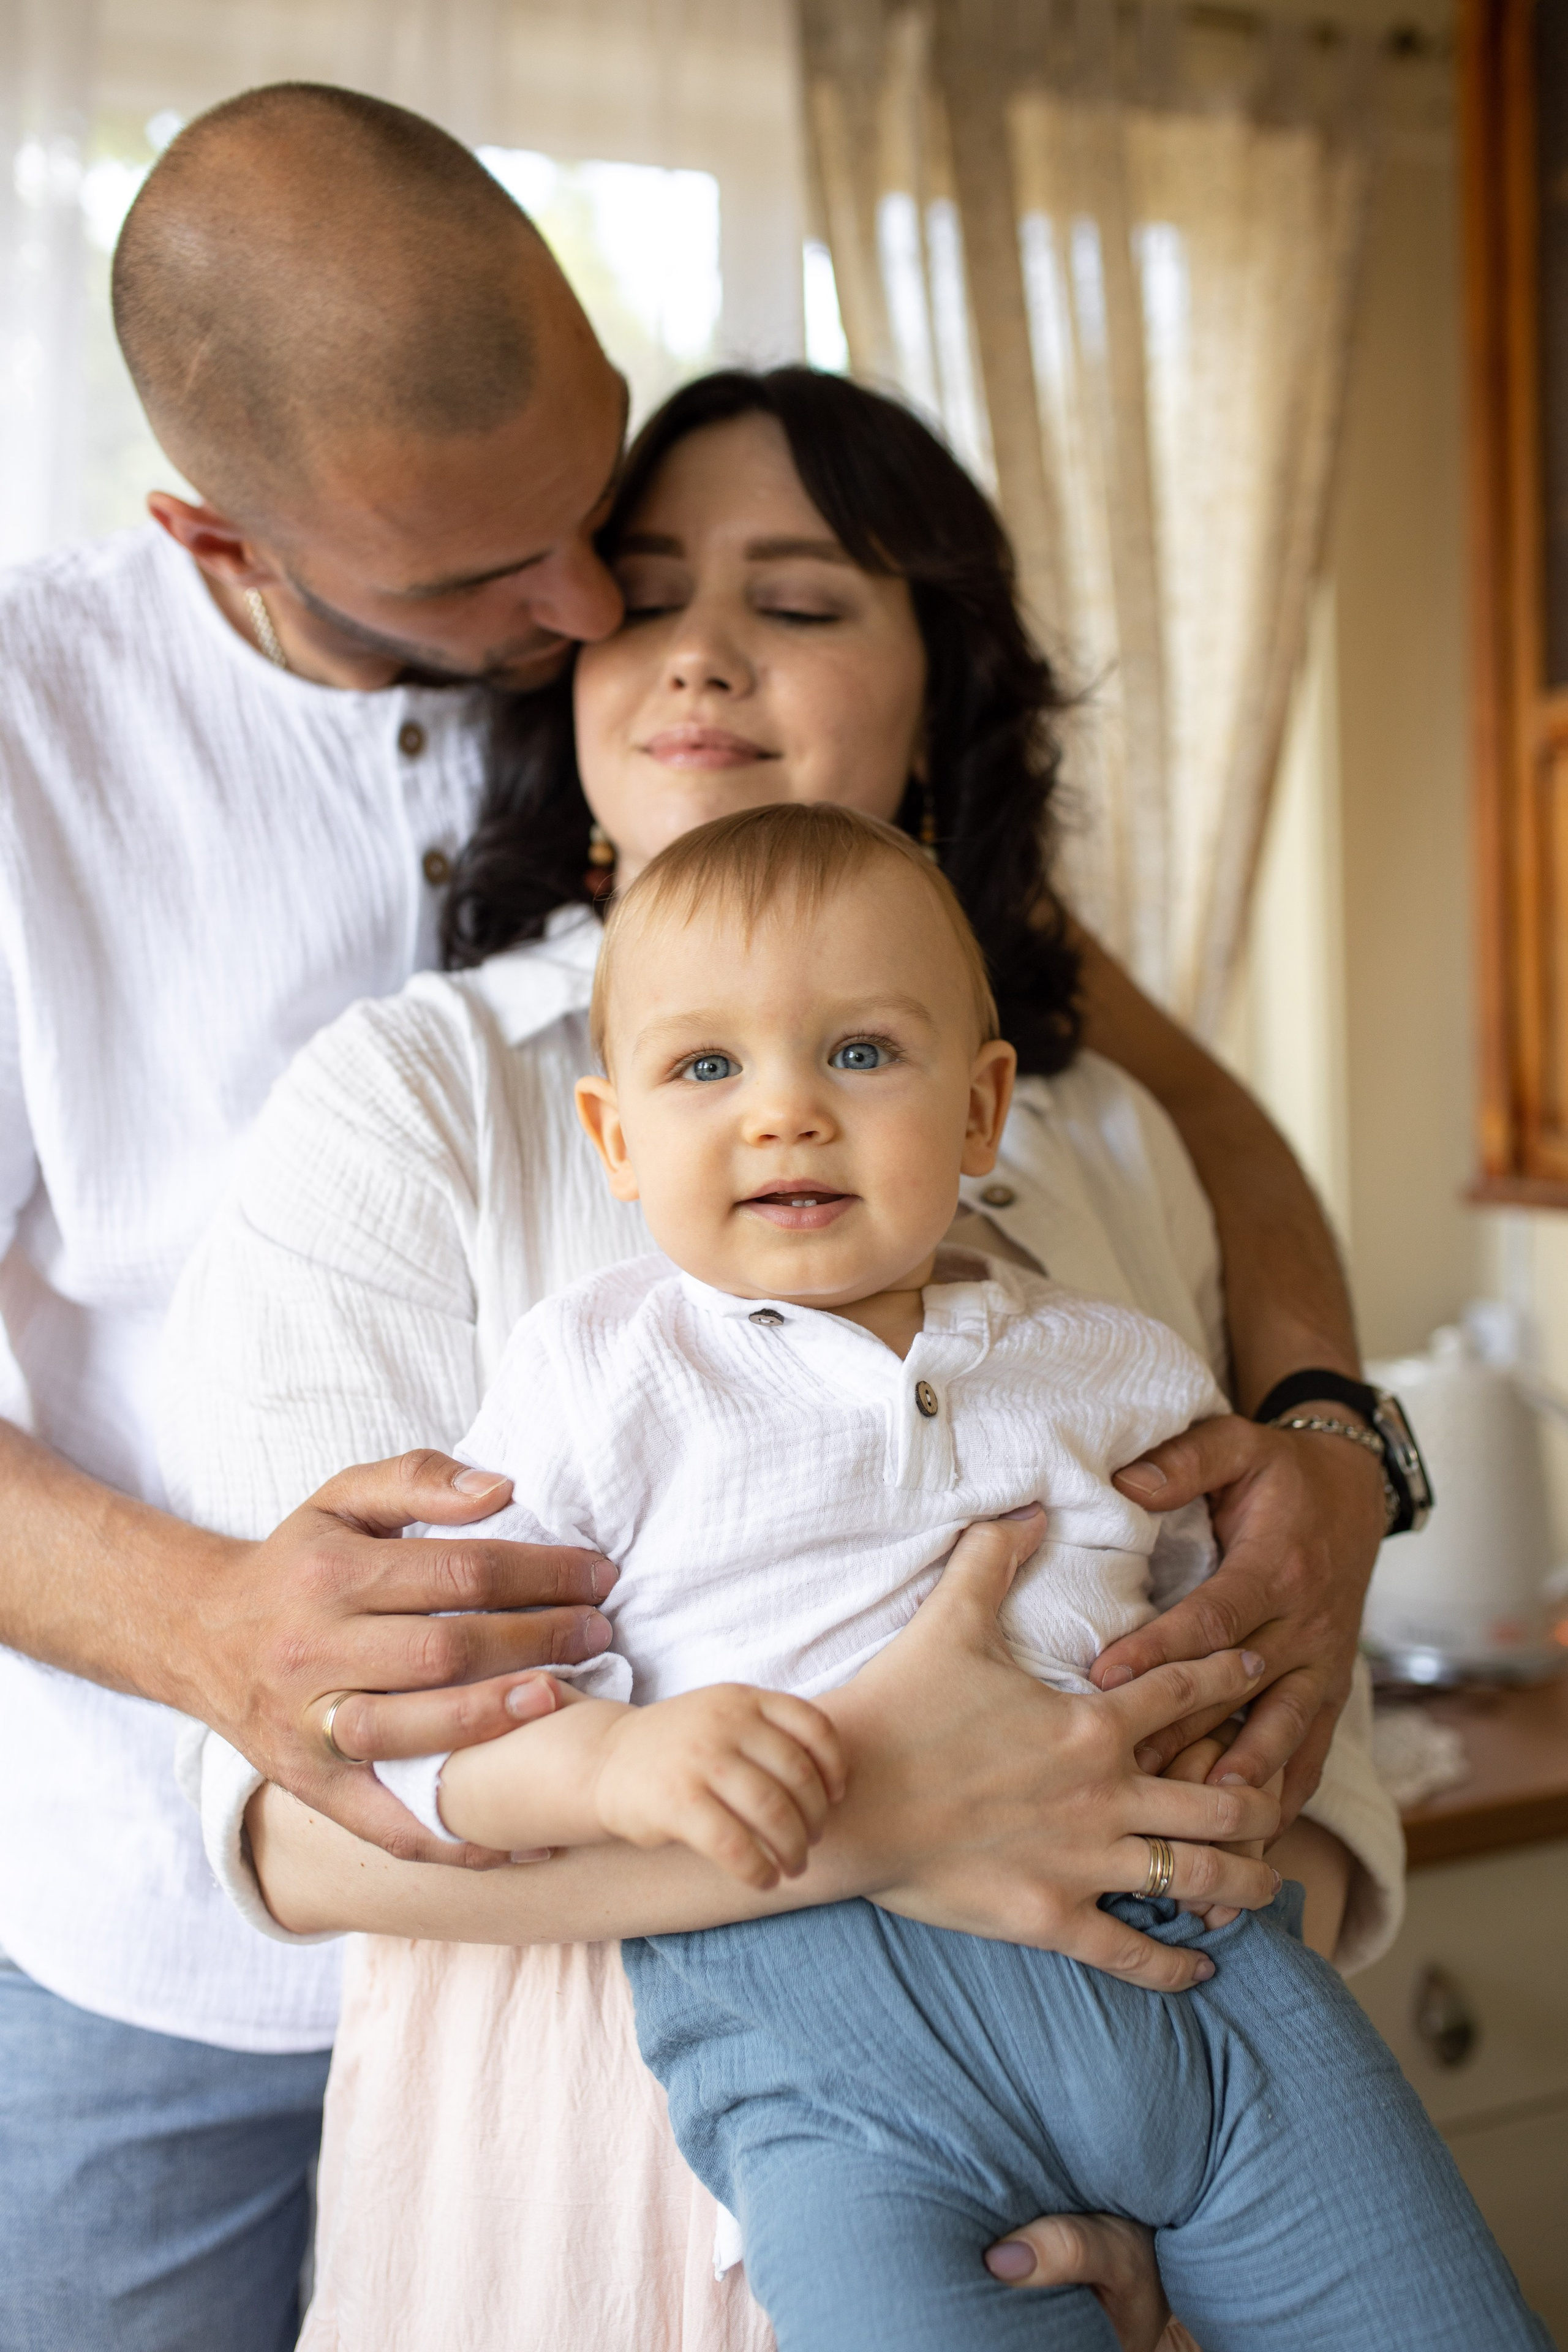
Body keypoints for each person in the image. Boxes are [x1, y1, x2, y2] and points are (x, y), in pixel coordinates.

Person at [165, 367, 1406, 2350]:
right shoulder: (414, 1105)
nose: (703, 655)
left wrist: (1171, 2165)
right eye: (642, 595)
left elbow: (1288, 1756)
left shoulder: (1098, 1143)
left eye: (804, 600)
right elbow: (299, 1810)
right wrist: (875, 1815)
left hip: (1132, 2162)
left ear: (944, 697)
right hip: (576, 2180)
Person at [359, 799, 1540, 2352]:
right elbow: (438, 1736)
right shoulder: (592, 1377)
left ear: (980, 1112)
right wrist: (617, 1756)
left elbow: (1250, 1660)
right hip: (837, 2086)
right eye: (707, 1066)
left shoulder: (1115, 1367)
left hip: (1219, 2011)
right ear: (617, 1140)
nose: (785, 1112)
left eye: (857, 1052)